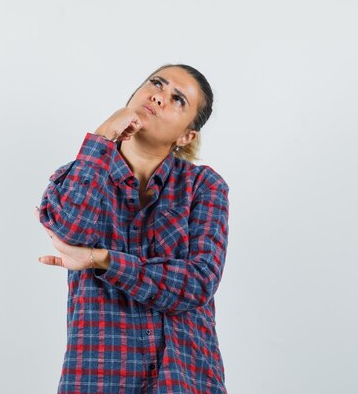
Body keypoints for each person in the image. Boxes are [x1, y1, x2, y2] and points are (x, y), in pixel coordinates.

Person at [35, 63, 230, 394]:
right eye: (156, 83)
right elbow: (69, 229)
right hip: (98, 377)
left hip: (184, 380)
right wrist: (101, 136)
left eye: (177, 98)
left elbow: (197, 282)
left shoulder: (203, 186)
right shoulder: (79, 174)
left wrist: (103, 260)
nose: (159, 96)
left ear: (187, 136)